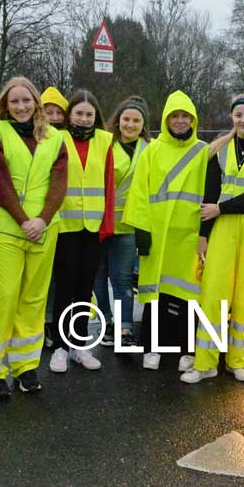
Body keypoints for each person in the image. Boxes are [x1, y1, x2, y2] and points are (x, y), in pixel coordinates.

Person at [181, 93, 244, 384]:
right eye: (239, 115)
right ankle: (205, 363)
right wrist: (203, 236)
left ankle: (236, 360)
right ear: (232, 118)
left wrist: (221, 208)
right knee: (213, 295)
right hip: (223, 228)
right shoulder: (220, 149)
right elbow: (209, 197)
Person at [0, 77, 67, 398]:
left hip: (44, 229)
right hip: (8, 228)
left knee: (33, 299)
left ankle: (26, 367)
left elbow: (59, 182)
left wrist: (43, 219)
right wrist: (24, 220)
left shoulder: (55, 137)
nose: (21, 107)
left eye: (26, 101)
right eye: (14, 101)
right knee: (4, 299)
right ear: (5, 104)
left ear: (36, 103)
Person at [123, 90, 220, 371]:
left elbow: (211, 193)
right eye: (174, 116)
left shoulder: (204, 152)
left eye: (185, 116)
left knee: (189, 296)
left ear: (193, 119)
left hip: (189, 237)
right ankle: (153, 346)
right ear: (166, 119)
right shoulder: (152, 150)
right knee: (156, 295)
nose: (180, 121)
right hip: (157, 235)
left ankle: (187, 350)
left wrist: (205, 234)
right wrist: (141, 234)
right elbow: (139, 192)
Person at [48, 89, 115, 373]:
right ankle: (61, 348)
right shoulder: (56, 138)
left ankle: (79, 345)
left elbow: (108, 183)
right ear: (70, 115)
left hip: (93, 227)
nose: (84, 119)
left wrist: (107, 224)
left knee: (85, 289)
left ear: (95, 117)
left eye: (89, 114)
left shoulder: (104, 140)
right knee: (65, 286)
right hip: (65, 225)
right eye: (79, 113)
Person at [94, 96, 151, 348]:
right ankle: (106, 322)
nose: (130, 124)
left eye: (136, 120)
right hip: (100, 222)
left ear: (143, 124)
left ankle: (124, 327)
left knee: (123, 279)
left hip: (128, 225)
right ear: (118, 121)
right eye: (126, 119)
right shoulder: (105, 144)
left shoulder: (149, 148)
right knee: (98, 277)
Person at [39, 85, 69, 347]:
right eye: (47, 111)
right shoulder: (33, 138)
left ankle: (51, 323)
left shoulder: (69, 139)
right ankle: (40, 324)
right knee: (40, 277)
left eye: (58, 112)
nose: (53, 117)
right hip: (39, 218)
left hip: (66, 220)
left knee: (58, 277)